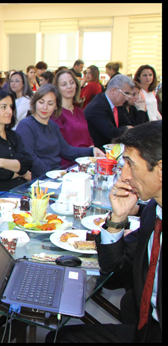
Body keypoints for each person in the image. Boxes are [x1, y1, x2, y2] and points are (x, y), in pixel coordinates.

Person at [47, 120, 162, 343]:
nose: (123, 176)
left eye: (129, 164)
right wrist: (118, 218)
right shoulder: (153, 214)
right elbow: (113, 270)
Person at [16, 84, 103, 178]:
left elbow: (67, 150)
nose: (44, 107)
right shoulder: (26, 125)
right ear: (35, 102)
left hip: (56, 175)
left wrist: (92, 151)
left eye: (50, 104)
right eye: (41, 102)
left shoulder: (53, 126)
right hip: (40, 179)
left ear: (56, 106)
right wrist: (53, 174)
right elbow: (31, 158)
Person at [52, 70, 95, 167]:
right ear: (57, 89)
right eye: (64, 84)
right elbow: (63, 149)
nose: (69, 86)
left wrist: (92, 155)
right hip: (69, 165)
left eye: (72, 82)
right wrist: (90, 152)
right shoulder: (56, 114)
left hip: (87, 162)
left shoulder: (79, 111)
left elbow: (88, 139)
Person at [84, 74, 134, 150]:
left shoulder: (119, 104)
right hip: (98, 151)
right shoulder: (97, 107)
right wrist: (126, 128)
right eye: (125, 94)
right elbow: (112, 134)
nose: (127, 98)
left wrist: (125, 128)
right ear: (113, 90)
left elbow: (129, 124)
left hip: (114, 148)